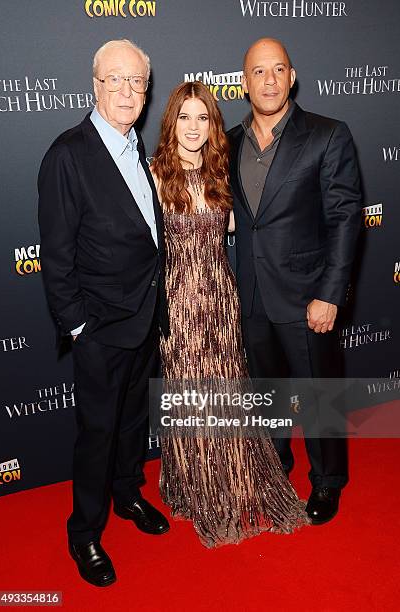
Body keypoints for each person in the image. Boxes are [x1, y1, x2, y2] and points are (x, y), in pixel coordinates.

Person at [151, 81, 309, 548]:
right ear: (171, 122)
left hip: (221, 299)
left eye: (203, 117)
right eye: (185, 117)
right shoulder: (154, 173)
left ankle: (236, 477)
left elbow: (260, 221)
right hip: (179, 302)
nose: (194, 127)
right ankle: (197, 485)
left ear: (213, 124)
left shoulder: (225, 173)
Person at [38, 39, 170, 587]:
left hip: (145, 320)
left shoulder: (138, 146)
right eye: (114, 80)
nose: (126, 91)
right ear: (94, 86)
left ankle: (127, 496)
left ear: (145, 91)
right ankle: (84, 533)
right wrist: (79, 326)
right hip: (100, 328)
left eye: (135, 82)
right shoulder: (69, 153)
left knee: (134, 425)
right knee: (97, 433)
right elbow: (57, 254)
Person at [228, 38, 362, 525]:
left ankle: (327, 482)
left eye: (277, 69)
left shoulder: (328, 134)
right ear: (244, 83)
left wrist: (330, 294)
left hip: (308, 296)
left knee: (320, 392)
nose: (268, 80)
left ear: (292, 76)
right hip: (251, 296)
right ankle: (276, 465)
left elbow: (346, 218)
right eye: (258, 72)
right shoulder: (229, 141)